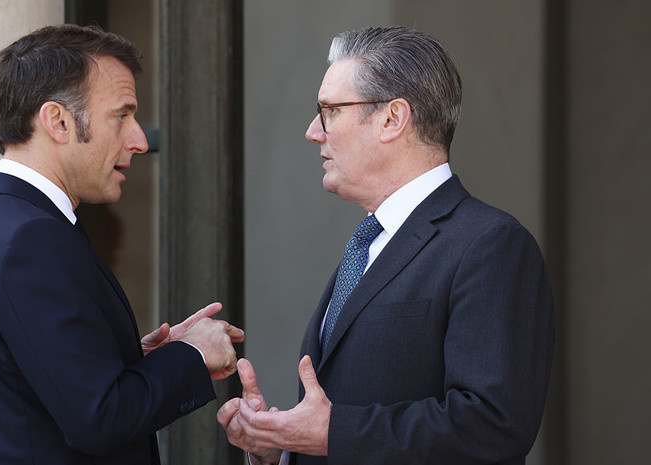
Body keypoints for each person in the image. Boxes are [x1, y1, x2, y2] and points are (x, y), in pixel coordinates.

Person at [217, 26, 554, 465]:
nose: (313, 131)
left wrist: (332, 432)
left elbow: (493, 426)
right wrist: (281, 448)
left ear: (392, 119)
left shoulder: (490, 244)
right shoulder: (369, 242)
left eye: (330, 110)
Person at [0, 24, 244, 465]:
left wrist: (134, 360)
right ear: (58, 121)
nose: (140, 140)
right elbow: (99, 418)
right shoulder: (31, 241)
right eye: (122, 116)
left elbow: (29, 384)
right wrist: (194, 354)